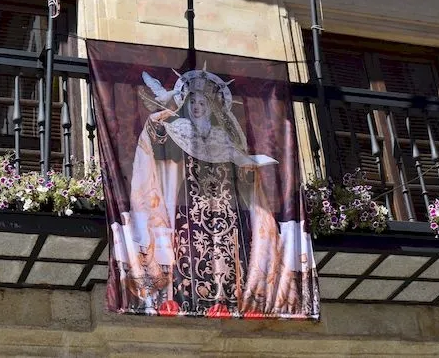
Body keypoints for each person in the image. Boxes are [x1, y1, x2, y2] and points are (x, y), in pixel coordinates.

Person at [108, 67, 316, 318]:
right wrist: (162, 114)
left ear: (211, 106)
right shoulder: (179, 127)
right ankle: (185, 299)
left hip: (227, 210)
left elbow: (241, 173)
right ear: (186, 103)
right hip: (188, 208)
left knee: (232, 256)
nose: (197, 106)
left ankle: (229, 300)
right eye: (192, 101)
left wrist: (248, 169)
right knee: (188, 251)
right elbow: (156, 137)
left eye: (202, 102)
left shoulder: (223, 135)